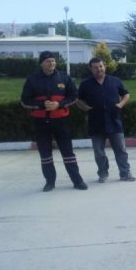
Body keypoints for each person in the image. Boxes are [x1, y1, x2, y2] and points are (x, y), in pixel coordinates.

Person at [20, 51, 88, 192]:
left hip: (61, 121)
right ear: (41, 63)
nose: (51, 63)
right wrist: (41, 105)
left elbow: (74, 96)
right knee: (45, 155)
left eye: (53, 61)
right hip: (41, 122)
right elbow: (24, 100)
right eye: (47, 61)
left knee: (68, 153)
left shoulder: (64, 77)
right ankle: (50, 182)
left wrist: (60, 104)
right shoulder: (32, 79)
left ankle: (77, 180)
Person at [76, 57, 135, 182]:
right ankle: (103, 173)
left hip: (114, 121)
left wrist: (120, 104)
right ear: (91, 69)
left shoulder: (115, 81)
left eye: (101, 66)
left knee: (121, 151)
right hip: (95, 122)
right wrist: (86, 108)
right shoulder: (85, 84)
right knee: (99, 153)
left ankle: (125, 173)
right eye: (96, 67)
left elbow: (126, 94)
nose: (99, 69)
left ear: (105, 66)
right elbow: (78, 100)